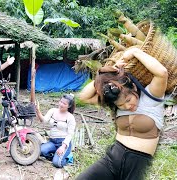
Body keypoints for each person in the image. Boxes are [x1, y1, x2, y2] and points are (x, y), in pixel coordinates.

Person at [77, 47, 168, 180]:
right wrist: (107, 72)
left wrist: (135, 52)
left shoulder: (151, 97)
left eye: (128, 100)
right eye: (121, 105)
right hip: (112, 158)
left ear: (134, 88)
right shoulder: (114, 101)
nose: (127, 106)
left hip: (137, 165)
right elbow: (83, 96)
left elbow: (162, 73)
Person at [36, 94, 76, 168]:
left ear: (69, 106)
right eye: (61, 101)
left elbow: (70, 134)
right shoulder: (53, 111)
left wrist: (63, 147)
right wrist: (38, 110)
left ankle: (68, 157)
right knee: (39, 151)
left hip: (63, 143)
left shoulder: (70, 117)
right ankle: (55, 155)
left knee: (57, 163)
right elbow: (44, 120)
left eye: (64, 103)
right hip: (52, 142)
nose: (61, 104)